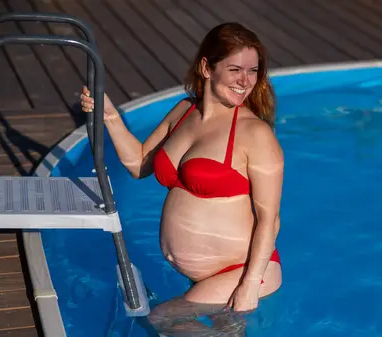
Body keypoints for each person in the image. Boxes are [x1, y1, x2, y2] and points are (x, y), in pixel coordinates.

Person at [80, 22, 284, 336]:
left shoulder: (254, 134)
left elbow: (270, 219)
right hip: (207, 275)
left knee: (162, 319)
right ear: (206, 67)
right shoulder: (184, 112)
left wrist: (248, 285)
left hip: (241, 270)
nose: (245, 81)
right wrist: (109, 115)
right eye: (234, 70)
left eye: (253, 71)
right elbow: (139, 164)